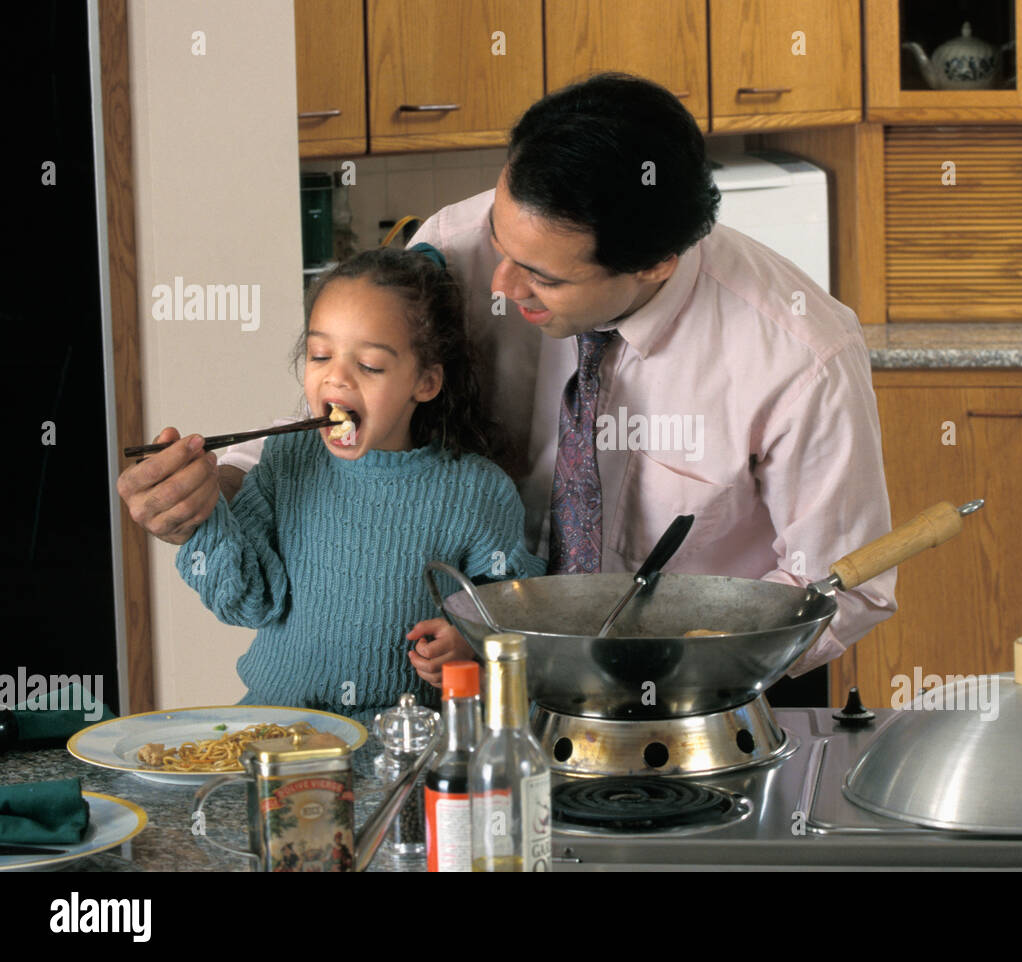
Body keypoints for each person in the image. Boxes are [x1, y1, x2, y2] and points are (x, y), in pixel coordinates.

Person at [118, 73, 895, 691]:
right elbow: (353, 415)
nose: (501, 280)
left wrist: (662, 675)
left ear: (656, 264)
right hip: (480, 685)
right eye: (500, 233)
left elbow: (847, 585)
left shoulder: (801, 353)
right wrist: (213, 485)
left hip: (704, 693)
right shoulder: (451, 251)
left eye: (545, 277)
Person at [136, 246, 544, 714]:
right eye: (319, 354)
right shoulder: (288, 459)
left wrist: (469, 644)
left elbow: (515, 624)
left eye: (369, 365)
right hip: (280, 729)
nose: (337, 377)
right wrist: (204, 516)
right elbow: (246, 603)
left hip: (405, 745)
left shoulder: (478, 491)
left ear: (426, 383)